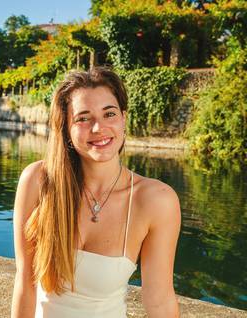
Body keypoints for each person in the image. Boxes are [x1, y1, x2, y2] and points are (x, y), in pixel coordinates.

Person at [11, 67, 181, 318]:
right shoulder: (37, 181)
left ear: (123, 118)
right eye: (83, 118)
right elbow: (25, 283)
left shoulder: (156, 200)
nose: (98, 128)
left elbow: (160, 301)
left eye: (109, 113)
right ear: (66, 128)